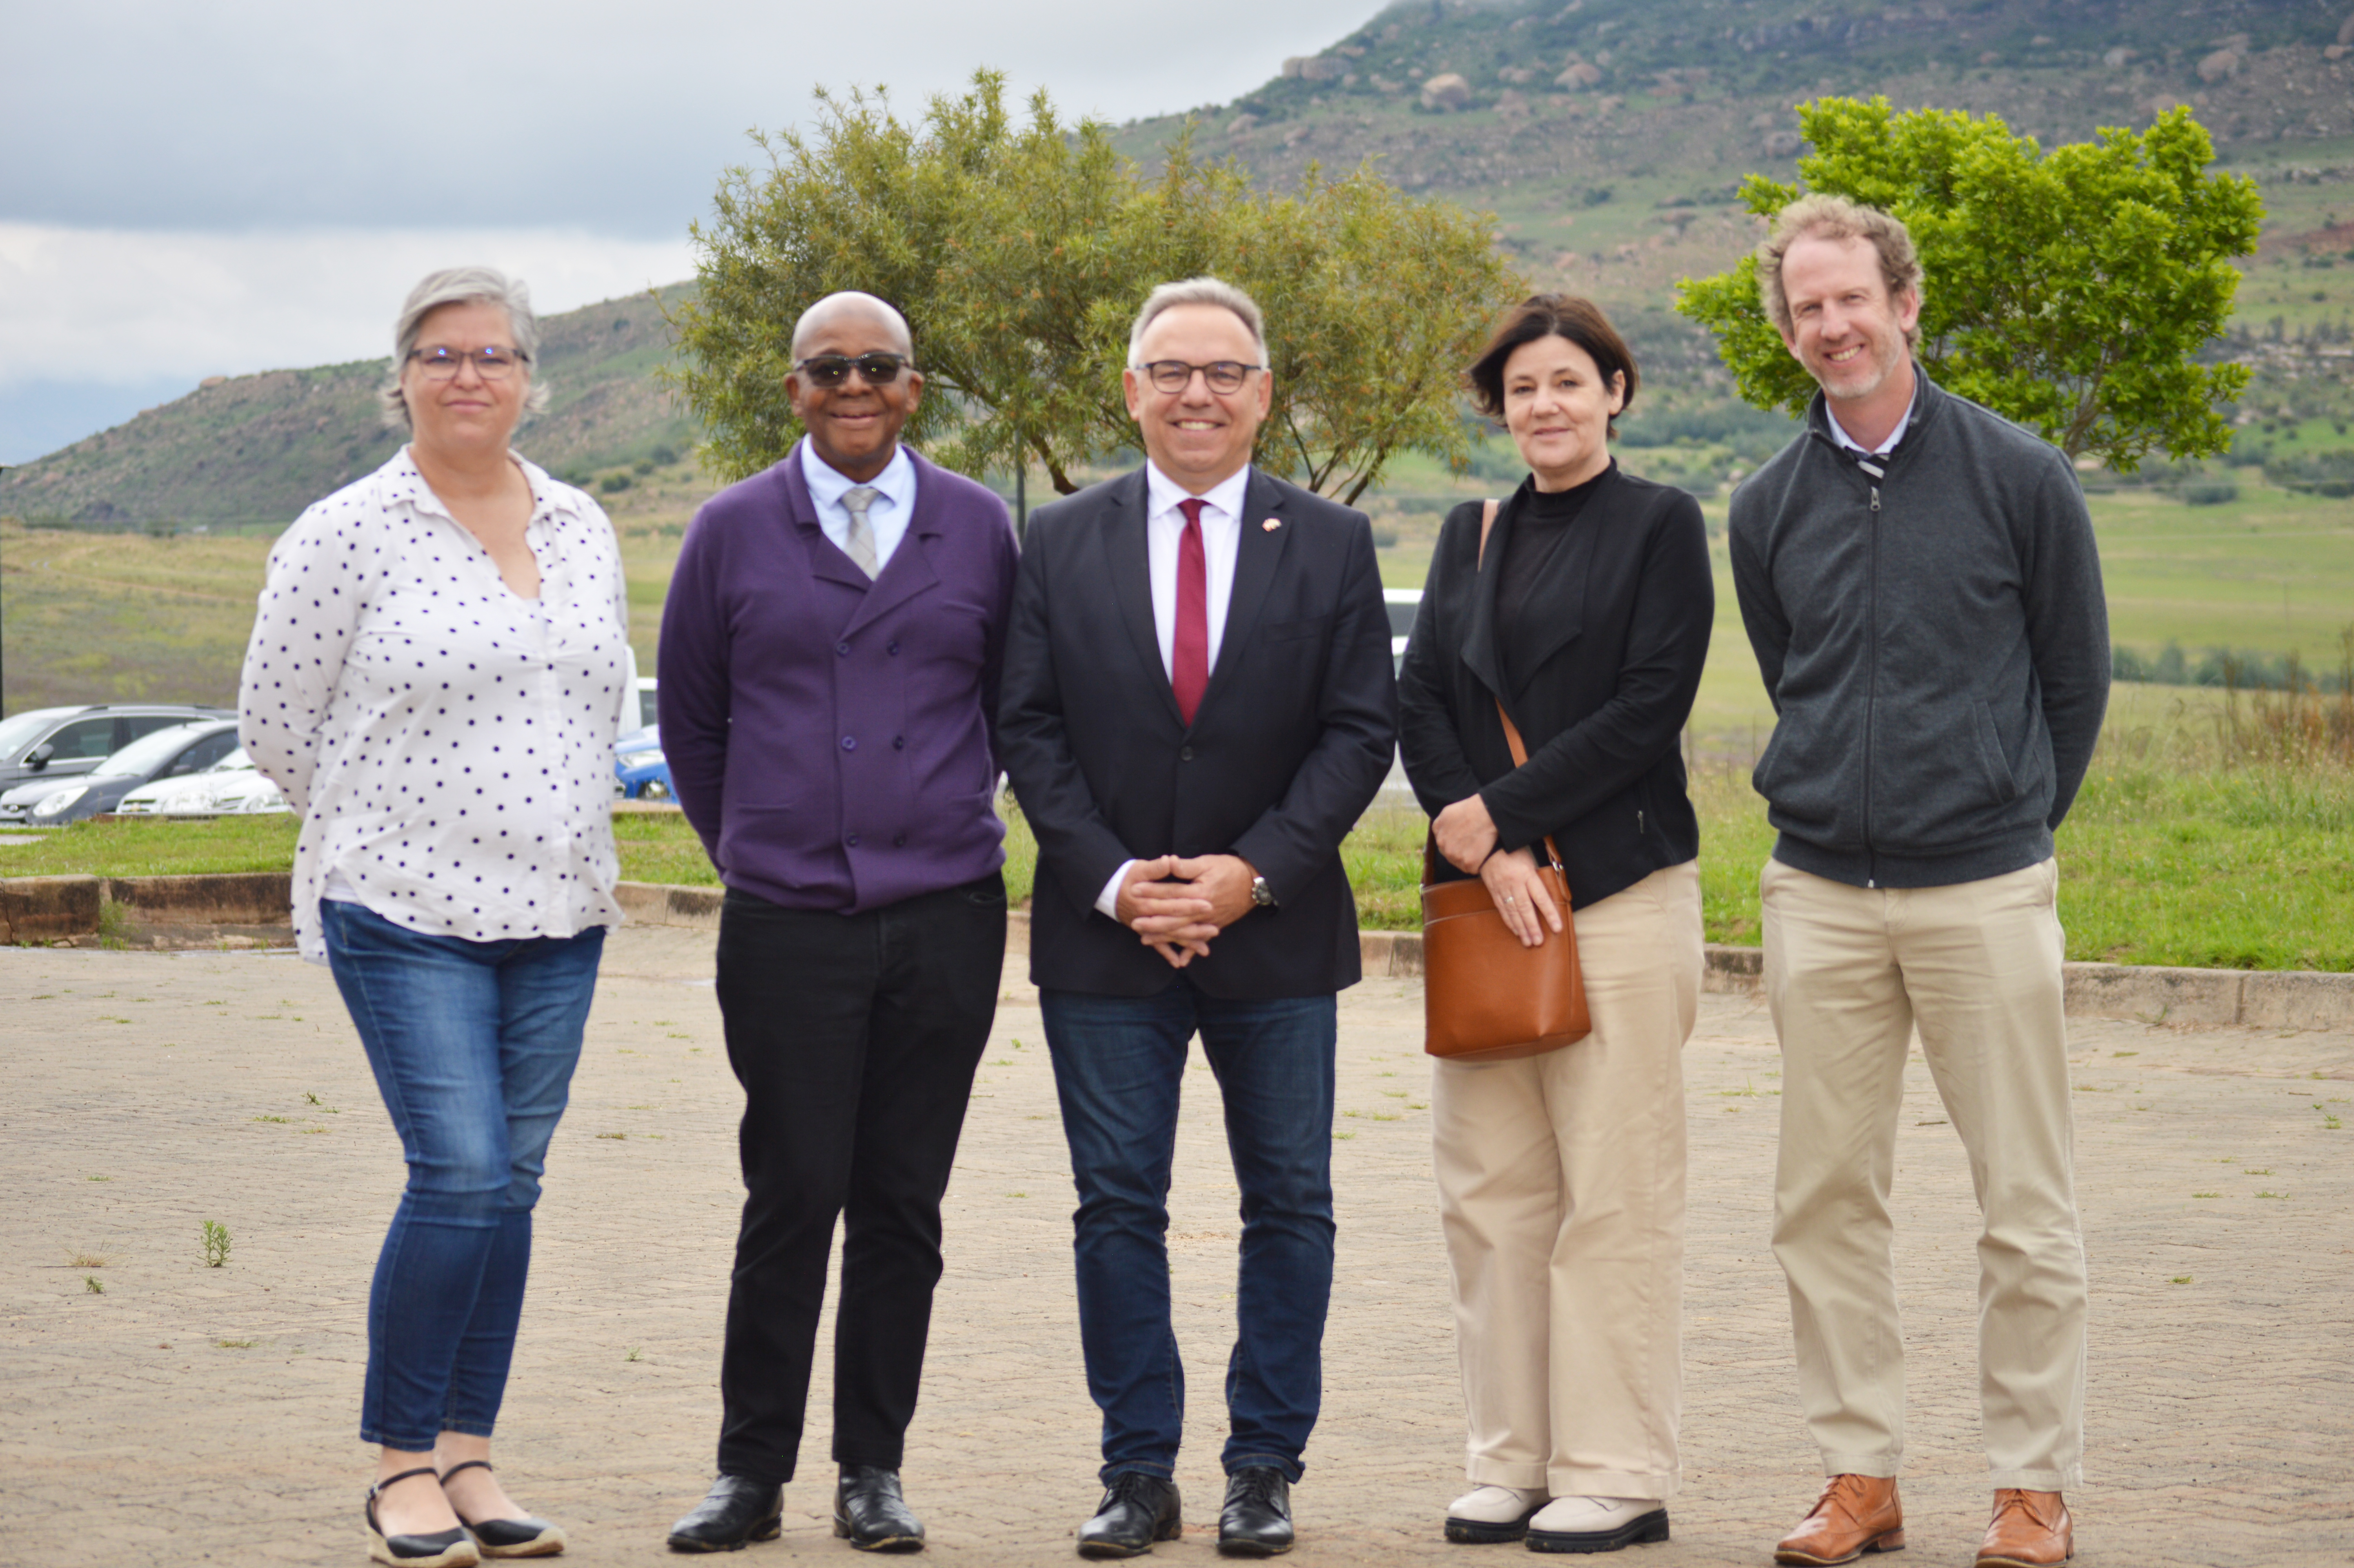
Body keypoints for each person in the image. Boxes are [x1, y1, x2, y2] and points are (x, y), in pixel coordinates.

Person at [1729, 195, 2108, 1568]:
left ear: (1905, 304)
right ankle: (1858, 1477)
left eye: (1850, 299)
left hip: (1984, 891)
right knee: (1822, 1200)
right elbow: (1795, 679)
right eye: (1804, 309)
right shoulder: (1766, 506)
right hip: (1817, 891)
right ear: (1789, 332)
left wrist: (2000, 814)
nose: (1830, 325)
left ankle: (2030, 1484)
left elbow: (2072, 682)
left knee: (2024, 1201)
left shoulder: (2018, 476)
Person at [998, 277, 1396, 1559]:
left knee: (1290, 1202)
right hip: (1102, 939)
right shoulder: (1056, 540)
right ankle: (1136, 1474)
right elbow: (1028, 727)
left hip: (1273, 931)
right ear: (1130, 392)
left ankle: (1263, 1470)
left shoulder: (1329, 540)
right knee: (1117, 1205)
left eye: (1223, 372)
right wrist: (1118, 883)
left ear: (1264, 394)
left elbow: (1355, 731)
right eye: (1171, 371)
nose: (1196, 393)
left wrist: (1250, 873)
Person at [240, 266, 632, 1568]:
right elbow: (276, 722)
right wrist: (380, 825)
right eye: (440, 353)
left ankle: (471, 1453)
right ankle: (400, 1464)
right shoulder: (344, 531)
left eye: (496, 355)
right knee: (458, 1172)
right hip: (402, 905)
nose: (470, 375)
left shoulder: (582, 522)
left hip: (561, 908)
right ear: (399, 376)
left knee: (510, 1187)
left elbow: (599, 704)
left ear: (530, 378)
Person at [656, 291, 1019, 1555]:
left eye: (878, 366)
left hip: (948, 917)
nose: (854, 384)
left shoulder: (979, 527)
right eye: (829, 368)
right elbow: (693, 727)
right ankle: (749, 1474)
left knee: (902, 1201)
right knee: (792, 1190)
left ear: (915, 386)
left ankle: (873, 1470)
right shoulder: (731, 530)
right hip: (787, 924)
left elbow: (1014, 703)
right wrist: (758, 846)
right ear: (794, 389)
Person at [1396, 295, 1713, 1554]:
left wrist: (1511, 823)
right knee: (1489, 1194)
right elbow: (1423, 698)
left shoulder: (1660, 525)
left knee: (1613, 1197)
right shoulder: (1469, 533)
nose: (1544, 405)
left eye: (1568, 382)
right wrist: (1486, 841)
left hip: (1621, 899)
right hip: (1494, 904)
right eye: (1521, 388)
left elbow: (1648, 709)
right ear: (1499, 406)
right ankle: (1510, 1460)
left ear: (1615, 393)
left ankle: (1615, 1469)